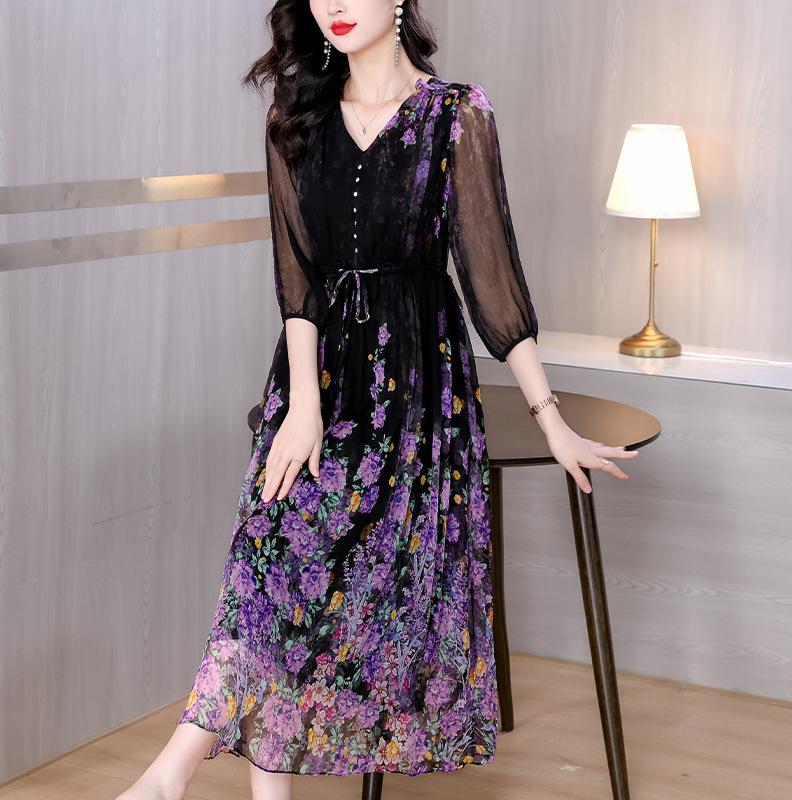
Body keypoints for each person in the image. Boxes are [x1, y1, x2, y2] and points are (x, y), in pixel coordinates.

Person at [117, 1, 637, 798]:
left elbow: (494, 282)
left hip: (419, 389)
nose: (334, 3)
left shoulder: (455, 115)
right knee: (270, 559)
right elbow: (296, 279)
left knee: (350, 592)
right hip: (318, 378)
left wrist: (551, 420)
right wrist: (303, 405)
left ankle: (172, 772)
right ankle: (183, 772)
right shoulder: (294, 117)